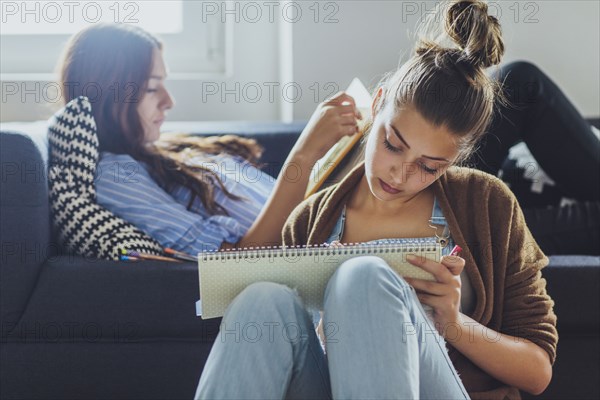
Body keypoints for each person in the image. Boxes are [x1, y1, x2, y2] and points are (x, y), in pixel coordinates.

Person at [194, 1, 558, 399]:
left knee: (363, 276)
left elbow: (537, 371)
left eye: (429, 167)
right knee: (261, 300)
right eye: (392, 145)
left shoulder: (488, 204)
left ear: (454, 162)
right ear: (378, 103)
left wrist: (453, 323)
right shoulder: (312, 218)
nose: (400, 175)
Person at [57, 22, 362, 254]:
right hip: (324, 244)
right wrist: (304, 155)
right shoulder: (116, 176)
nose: (169, 101)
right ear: (111, 96)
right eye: (152, 88)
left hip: (336, 223)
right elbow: (238, 262)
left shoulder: (161, 150)